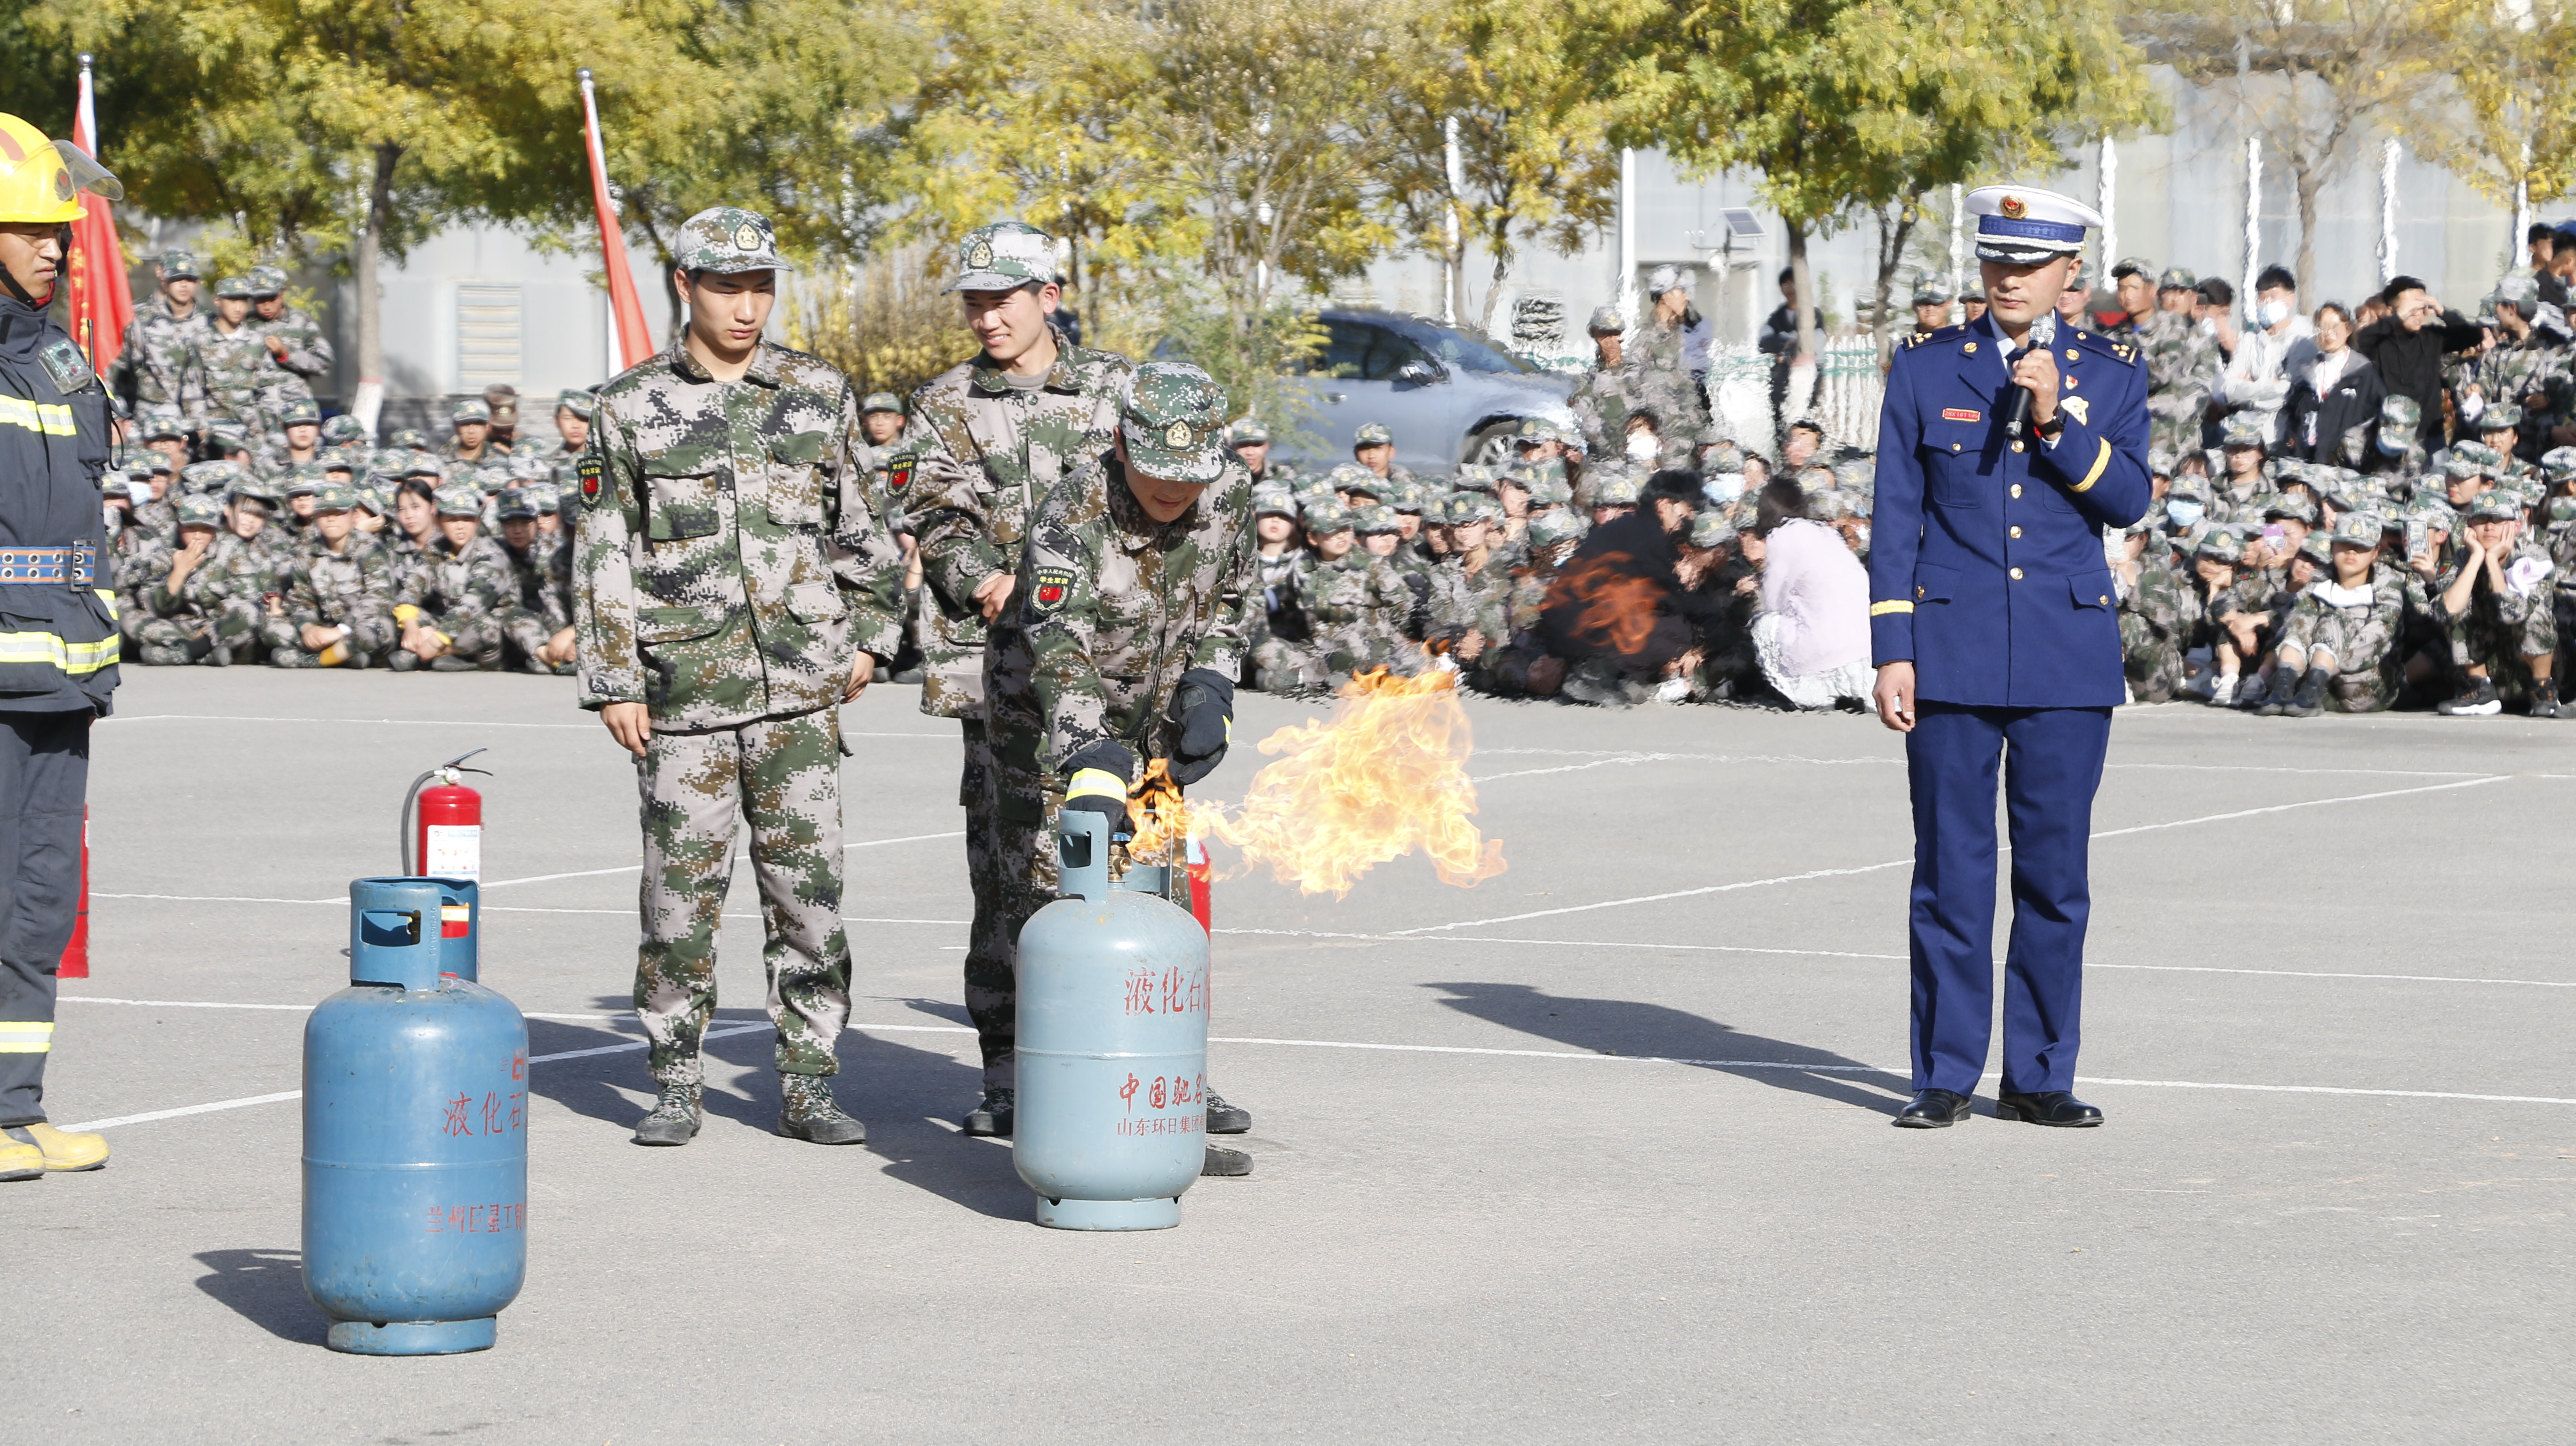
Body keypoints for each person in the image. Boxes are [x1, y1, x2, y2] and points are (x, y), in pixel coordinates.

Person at [574, 205, 907, 1147]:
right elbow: (604, 548)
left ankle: (809, 1082)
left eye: (761, 288)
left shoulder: (816, 392)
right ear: (685, 286)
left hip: (801, 689)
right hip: (684, 693)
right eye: (727, 288)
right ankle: (676, 1078)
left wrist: (873, 634)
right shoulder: (629, 405)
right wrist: (615, 678)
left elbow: (860, 525)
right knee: (679, 902)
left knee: (809, 898)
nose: (747, 307)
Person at [1869, 185, 2150, 1130]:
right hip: (1949, 651)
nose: (2010, 278)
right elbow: (1895, 516)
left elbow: (2130, 501)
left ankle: (2038, 1074)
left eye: (2030, 265)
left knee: (2053, 879)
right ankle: (1944, 1074)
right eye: (1997, 261)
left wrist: (2055, 419)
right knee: (1950, 873)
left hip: (2065, 658)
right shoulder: (1925, 368)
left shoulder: (2110, 373)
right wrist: (1892, 649)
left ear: (2070, 273)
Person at [979, 362, 1256, 1176]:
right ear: (1121, 444)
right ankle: (1035, 1088)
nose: (1175, 491)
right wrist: (1087, 753)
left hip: (1154, 725)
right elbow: (1057, 644)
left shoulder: (1230, 494)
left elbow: (1233, 603)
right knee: (1048, 906)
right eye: (1158, 472)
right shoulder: (1073, 508)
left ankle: (1158, 1094)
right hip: (1048, 723)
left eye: (1190, 475)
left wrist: (1213, 685)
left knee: (1158, 902)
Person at [900, 220, 1133, 1139]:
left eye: (1003, 300)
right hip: (1000, 670)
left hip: (1112, 667)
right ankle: (1006, 1070)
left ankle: (1152, 1058)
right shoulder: (946, 403)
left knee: (1134, 859)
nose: (987, 318)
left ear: (1049, 296)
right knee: (1007, 871)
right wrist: (984, 577)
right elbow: (933, 512)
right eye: (974, 303)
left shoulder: (1115, 390)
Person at [0, 115, 123, 1179]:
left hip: (59, 680)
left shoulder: (55, 359)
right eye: (31, 229)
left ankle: (14, 1107)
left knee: (38, 903)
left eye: (61, 233)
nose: (55, 247)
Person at [2432, 488, 2558, 717]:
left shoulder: (2534, 558)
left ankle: (2543, 690)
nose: (2489, 527)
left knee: (2536, 613)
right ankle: (2481, 690)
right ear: (2470, 525)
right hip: (2490, 666)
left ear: (2517, 526)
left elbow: (2514, 615)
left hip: (2528, 663)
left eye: (2499, 520)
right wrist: (2477, 558)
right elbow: (2447, 612)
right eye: (2482, 520)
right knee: (2457, 604)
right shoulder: (2462, 559)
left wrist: (2493, 561)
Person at [1747, 479, 1872, 707]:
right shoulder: (1826, 533)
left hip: (1823, 648)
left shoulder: (1781, 537)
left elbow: (1774, 600)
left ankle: (1802, 693)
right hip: (1864, 645)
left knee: (1765, 624)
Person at [261, 481, 397, 668]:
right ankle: (344, 657)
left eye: (339, 513)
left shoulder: (370, 548)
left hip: (357, 626)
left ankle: (314, 661)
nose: (331, 519)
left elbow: (380, 597)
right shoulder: (306, 552)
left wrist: (341, 630)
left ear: (353, 515)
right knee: (271, 626)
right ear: (316, 516)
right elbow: (302, 600)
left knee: (380, 628)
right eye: (324, 513)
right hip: (323, 627)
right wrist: (307, 628)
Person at [2352, 275, 2483, 450]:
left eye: (2422, 308)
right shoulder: (2382, 342)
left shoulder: (2432, 337)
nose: (2418, 315)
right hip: (2394, 433)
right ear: (2392, 312)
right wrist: (2398, 317)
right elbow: (2361, 341)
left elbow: (2473, 336)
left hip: (2431, 434)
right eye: (2411, 309)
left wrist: (2442, 311)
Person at [391, 483, 511, 672]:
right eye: (453, 520)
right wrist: (410, 626)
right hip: (451, 623)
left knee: (486, 625)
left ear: (477, 521)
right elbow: (412, 588)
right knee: (408, 613)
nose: (460, 526)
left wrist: (436, 642)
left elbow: (471, 606)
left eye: (467, 519)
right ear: (439, 522)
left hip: (490, 634)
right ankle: (447, 656)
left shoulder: (491, 555)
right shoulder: (437, 550)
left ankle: (437, 653)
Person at [2215, 264, 2315, 447]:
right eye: (2262, 298)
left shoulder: (2303, 341)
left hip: (2281, 435)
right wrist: (2269, 385)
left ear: (2291, 299)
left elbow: (2288, 394)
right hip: (2243, 432)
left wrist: (2250, 385)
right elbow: (2228, 389)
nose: (2266, 303)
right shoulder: (2249, 339)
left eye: (2273, 297)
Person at [2282, 303, 2385, 469]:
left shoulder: (2363, 374)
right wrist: (2294, 443)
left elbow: (2378, 416)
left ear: (2349, 329)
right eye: (2323, 327)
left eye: (2335, 326)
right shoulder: (2308, 373)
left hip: (2347, 466)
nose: (2328, 333)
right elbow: (2295, 416)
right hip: (2309, 464)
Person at [113, 249, 212, 416]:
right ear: (164, 278)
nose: (184, 285)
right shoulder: (140, 318)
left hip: (198, 416)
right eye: (177, 279)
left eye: (190, 280)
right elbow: (122, 370)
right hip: (151, 415)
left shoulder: (209, 322)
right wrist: (120, 415)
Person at [247, 263, 332, 424]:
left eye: (272, 298)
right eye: (260, 300)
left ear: (283, 292)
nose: (267, 306)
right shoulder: (244, 325)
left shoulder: (301, 321)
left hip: (296, 413)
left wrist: (286, 354)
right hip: (258, 415)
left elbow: (324, 363)